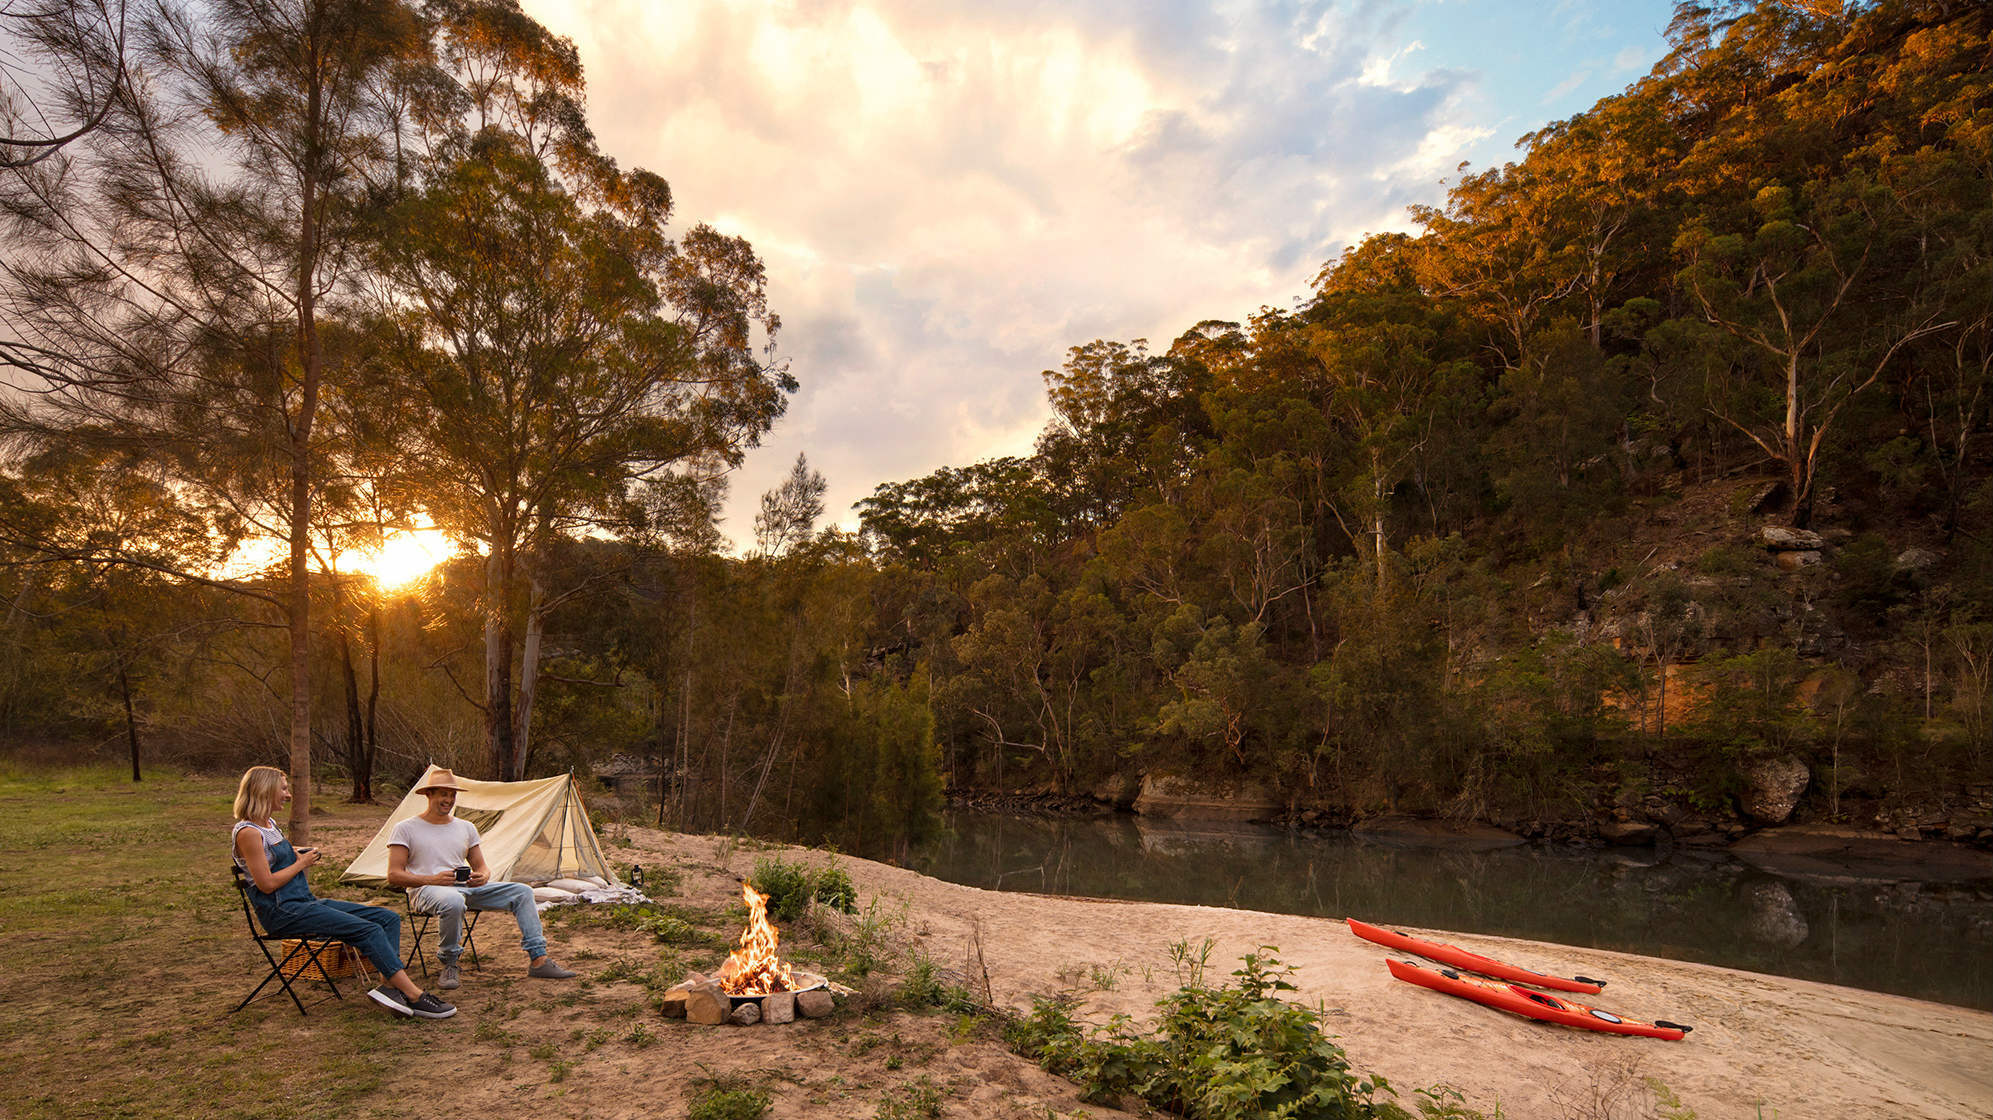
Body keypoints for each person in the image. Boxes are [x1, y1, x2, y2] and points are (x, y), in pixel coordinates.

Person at [231, 766, 456, 1019]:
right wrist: (301, 864)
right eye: (283, 789)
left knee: (386, 918)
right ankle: (414, 995)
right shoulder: (248, 832)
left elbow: (273, 855)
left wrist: (298, 851)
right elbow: (267, 884)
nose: (288, 794)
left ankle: (390, 988)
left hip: (303, 902)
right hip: (282, 912)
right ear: (265, 790)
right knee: (367, 929)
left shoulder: (269, 824)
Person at [385, 768, 577, 990]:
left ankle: (539, 960)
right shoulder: (406, 828)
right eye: (443, 794)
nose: (448, 800)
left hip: (465, 888)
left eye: (452, 795)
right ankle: (449, 963)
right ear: (429, 795)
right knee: (453, 901)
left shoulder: (465, 827)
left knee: (522, 891)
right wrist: (433, 879)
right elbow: (394, 875)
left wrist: (482, 876)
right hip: (426, 890)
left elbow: (482, 866)